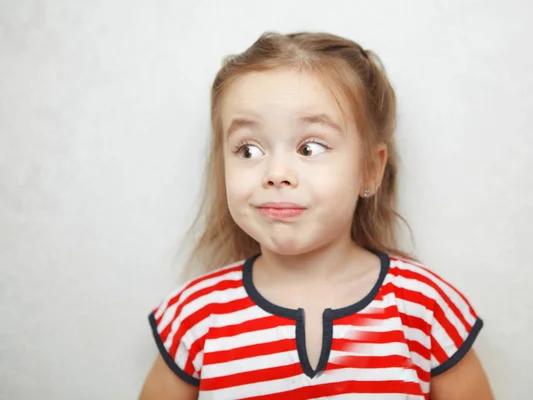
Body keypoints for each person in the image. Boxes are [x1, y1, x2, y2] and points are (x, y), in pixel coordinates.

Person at [139, 32, 494, 399]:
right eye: (247, 150)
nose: (276, 173)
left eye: (309, 147)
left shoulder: (425, 307)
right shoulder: (195, 318)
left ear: (370, 169)